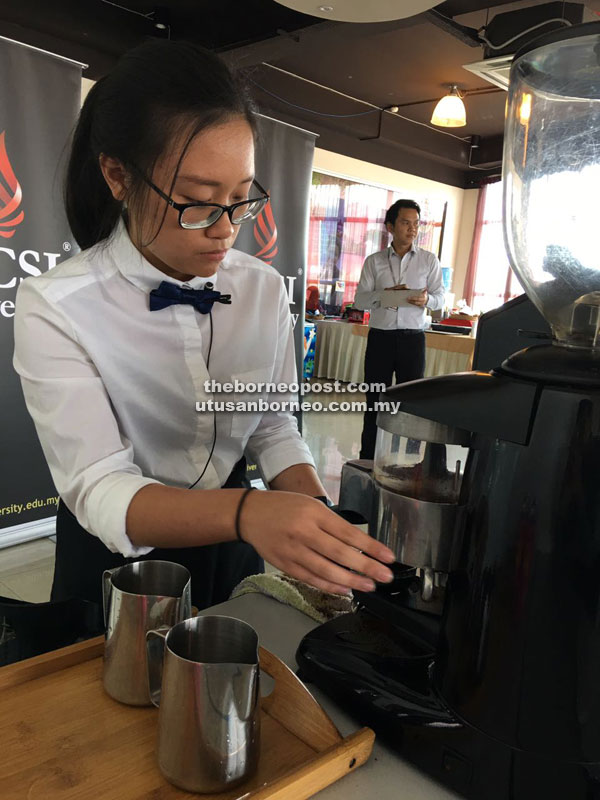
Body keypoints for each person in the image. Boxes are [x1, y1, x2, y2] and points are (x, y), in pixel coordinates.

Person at [13, 40, 395, 613]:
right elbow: (101, 486)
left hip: (235, 542)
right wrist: (250, 512)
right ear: (118, 176)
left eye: (240, 200)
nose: (225, 230)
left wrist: (319, 523)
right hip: (118, 562)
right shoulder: (58, 305)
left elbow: (271, 426)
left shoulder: (262, 289)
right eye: (197, 201)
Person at [353, 199, 445, 459]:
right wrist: (384, 295)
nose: (412, 229)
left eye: (416, 223)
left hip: (412, 340)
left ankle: (408, 461)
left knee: (411, 403)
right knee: (375, 401)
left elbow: (440, 299)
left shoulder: (428, 260)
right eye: (406, 223)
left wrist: (427, 300)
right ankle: (369, 458)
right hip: (380, 339)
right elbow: (360, 300)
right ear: (390, 226)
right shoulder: (374, 261)